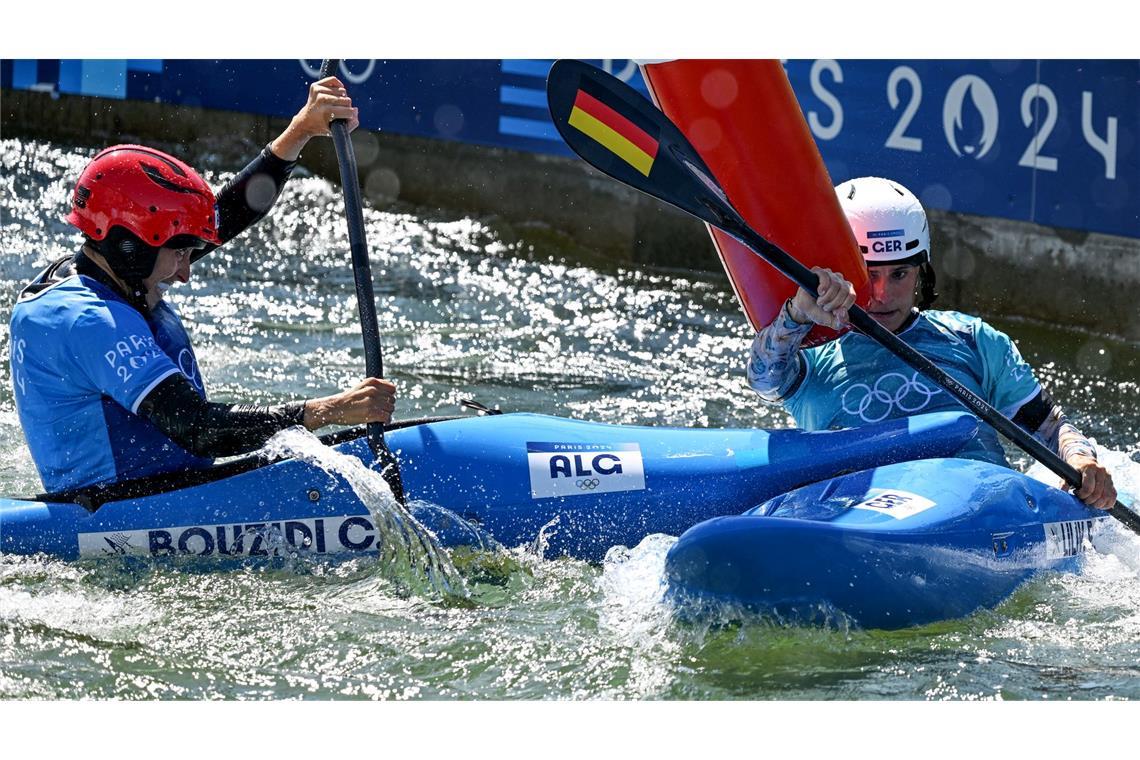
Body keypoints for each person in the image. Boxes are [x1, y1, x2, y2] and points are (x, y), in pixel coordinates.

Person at [8, 76, 397, 494]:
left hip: (178, 487)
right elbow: (199, 428)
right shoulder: (89, 321)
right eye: (180, 252)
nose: (185, 272)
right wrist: (327, 410)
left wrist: (301, 130)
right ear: (130, 246)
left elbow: (225, 215)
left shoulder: (115, 270)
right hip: (121, 515)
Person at [746, 176, 1117, 510]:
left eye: (900, 274)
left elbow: (1048, 427)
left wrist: (1082, 461)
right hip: (855, 512)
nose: (882, 294)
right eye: (868, 274)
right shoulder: (807, 348)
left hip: (982, 512)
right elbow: (764, 380)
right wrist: (794, 315)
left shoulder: (972, 340)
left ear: (922, 271)